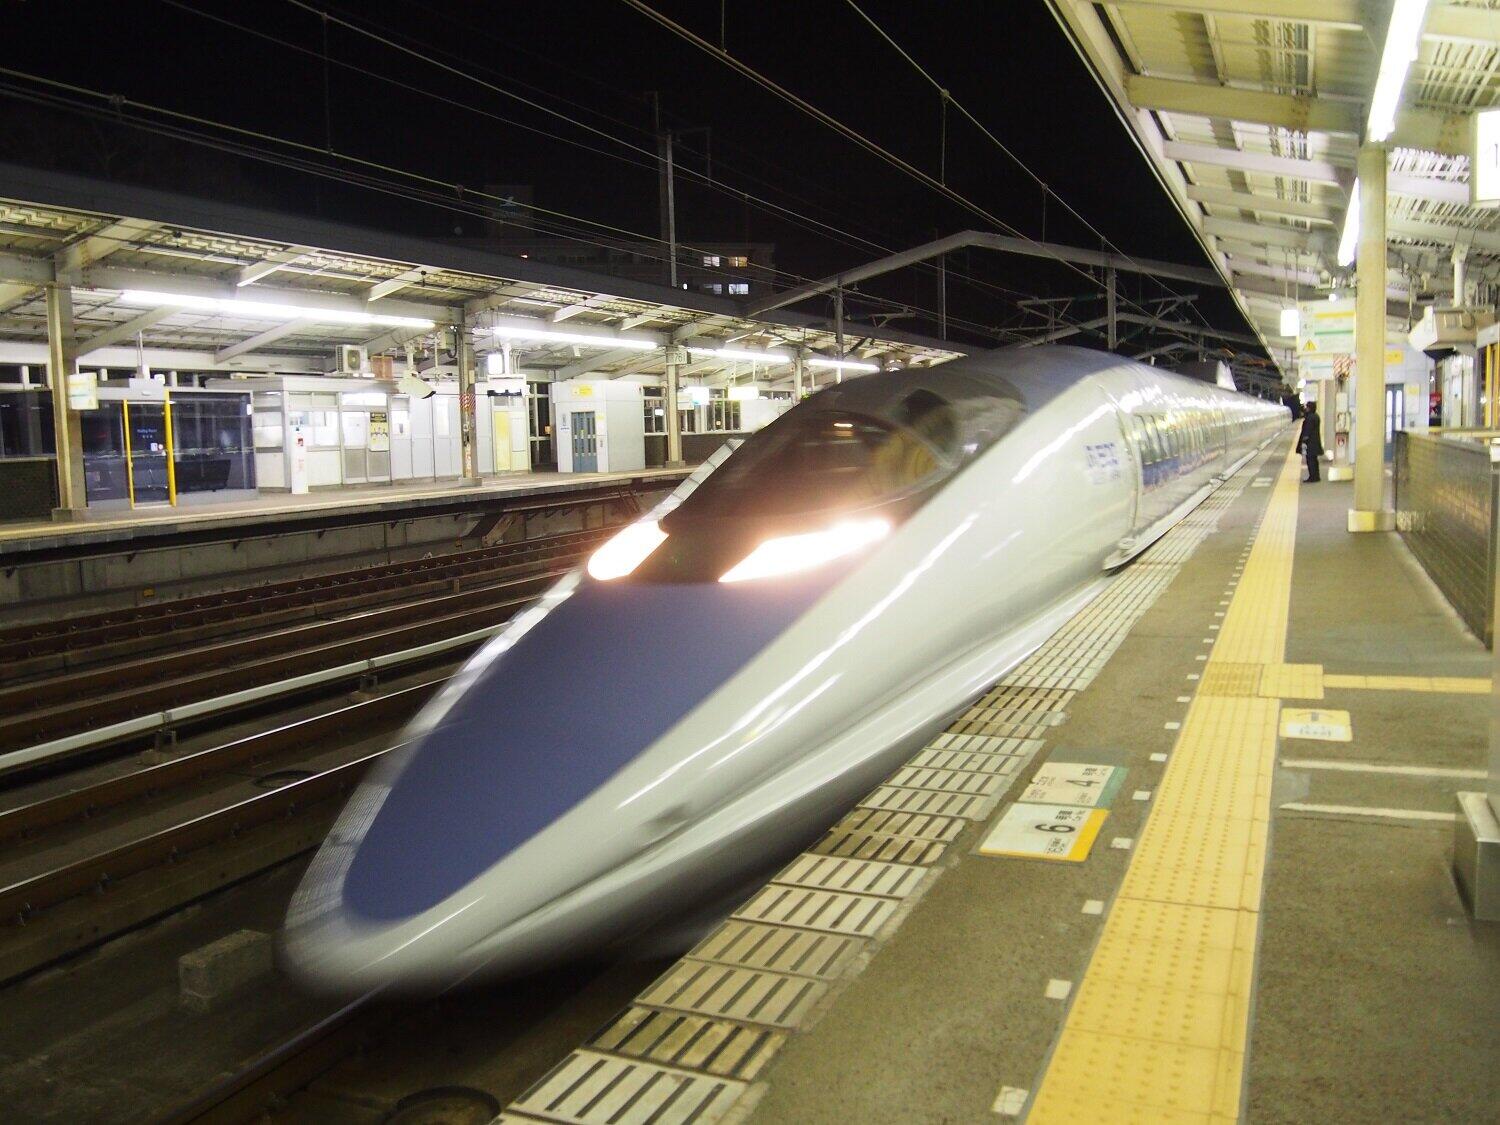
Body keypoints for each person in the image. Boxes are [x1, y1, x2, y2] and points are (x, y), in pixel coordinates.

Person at [1297, 401, 1323, 483]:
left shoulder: (1310, 418)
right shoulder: (1316, 416)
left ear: (1310, 408)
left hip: (1310, 443)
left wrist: (1304, 441)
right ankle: (1316, 476)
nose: (1306, 409)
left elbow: (1307, 430)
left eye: (1307, 407)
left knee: (1310, 460)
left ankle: (1312, 477)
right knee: (1314, 460)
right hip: (1315, 442)